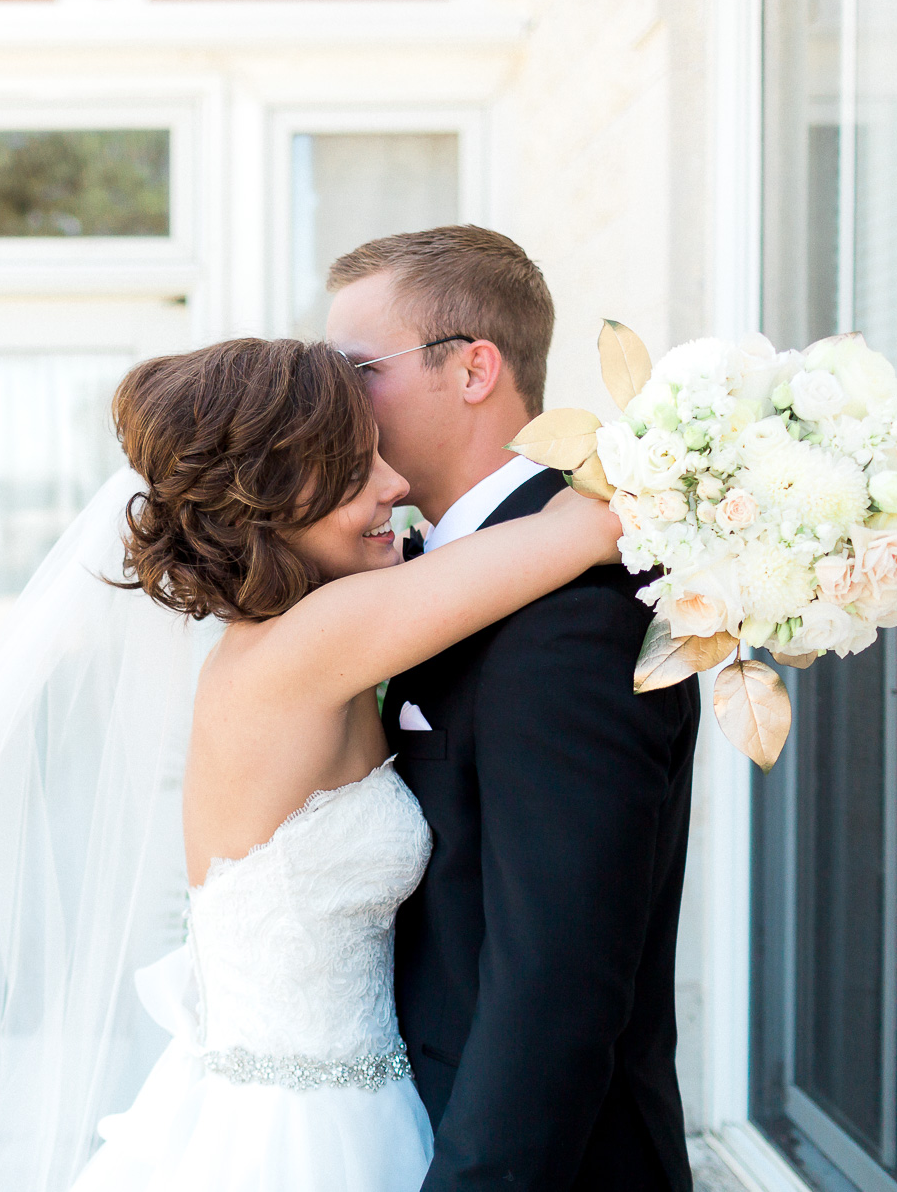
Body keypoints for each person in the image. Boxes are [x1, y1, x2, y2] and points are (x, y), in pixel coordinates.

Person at [0, 336, 630, 1192]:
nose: (395, 486)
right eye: (359, 469)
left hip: (310, 1098)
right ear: (277, 496)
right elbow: (589, 526)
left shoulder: (283, 644)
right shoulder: (314, 645)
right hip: (305, 1137)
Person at [326, 225, 699, 1192]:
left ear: (474, 369)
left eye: (359, 367)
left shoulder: (578, 614)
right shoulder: (421, 572)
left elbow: (558, 983)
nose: (334, 399)